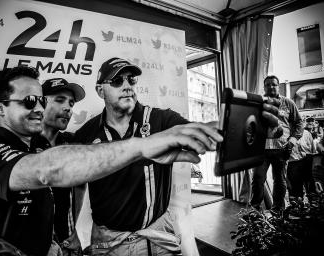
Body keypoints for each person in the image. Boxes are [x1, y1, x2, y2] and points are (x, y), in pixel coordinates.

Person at [0, 40, 224, 256]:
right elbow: (48, 169)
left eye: (41, 100)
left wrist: (243, 124)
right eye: (31, 101)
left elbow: (72, 176)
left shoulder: (53, 143)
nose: (42, 107)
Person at [73, 57, 281, 255]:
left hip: (159, 235)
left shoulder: (159, 119)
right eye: (118, 80)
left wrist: (250, 128)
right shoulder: (86, 134)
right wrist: (73, 228)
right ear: (100, 90)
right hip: (109, 243)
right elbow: (78, 182)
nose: (128, 85)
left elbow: (200, 131)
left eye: (132, 79)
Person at [0, 38, 87, 255]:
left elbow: (79, 184)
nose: (67, 108)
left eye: (40, 101)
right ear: (0, 108)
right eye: (31, 101)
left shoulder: (61, 141)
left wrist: (69, 233)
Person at [251, 75, 304, 213]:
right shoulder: (258, 104)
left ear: (278, 86)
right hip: (261, 150)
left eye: (273, 84)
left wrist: (292, 141)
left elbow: (299, 123)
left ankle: (277, 211)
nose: (271, 87)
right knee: (257, 179)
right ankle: (255, 210)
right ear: (264, 87)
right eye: (267, 85)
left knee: (280, 181)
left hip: (282, 149)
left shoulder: (288, 103)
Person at [286, 125, 316, 201]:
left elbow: (312, 149)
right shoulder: (285, 133)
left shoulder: (306, 133)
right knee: (295, 188)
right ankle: (298, 205)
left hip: (307, 160)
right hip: (292, 163)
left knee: (310, 185)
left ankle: (313, 202)